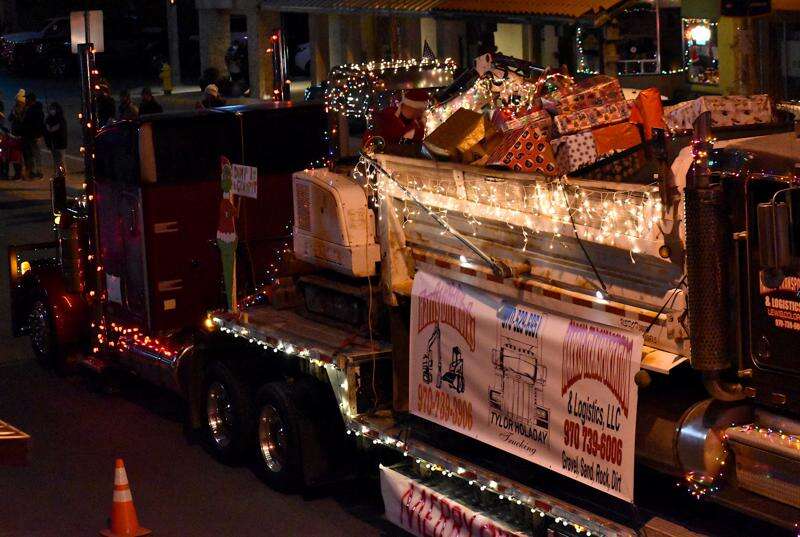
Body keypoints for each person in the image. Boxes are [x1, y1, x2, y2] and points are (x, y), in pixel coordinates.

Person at [363, 88, 428, 147]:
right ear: (412, 107)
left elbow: (417, 146)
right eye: (421, 110)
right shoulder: (387, 115)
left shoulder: (419, 125)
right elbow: (370, 139)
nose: (422, 112)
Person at [21, 91, 44, 179]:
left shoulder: (35, 110)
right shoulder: (29, 109)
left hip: (33, 136)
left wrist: (38, 135)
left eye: (27, 99)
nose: (25, 100)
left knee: (35, 154)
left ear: (31, 100)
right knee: (30, 155)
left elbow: (38, 124)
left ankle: (38, 172)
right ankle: (32, 171)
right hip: (28, 135)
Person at [44, 102, 67, 175]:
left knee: (61, 159)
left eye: (53, 109)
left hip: (60, 143)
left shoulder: (60, 119)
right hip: (52, 142)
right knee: (55, 159)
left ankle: (62, 172)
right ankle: (57, 172)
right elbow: (47, 128)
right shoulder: (49, 118)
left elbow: (58, 129)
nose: (52, 111)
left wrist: (51, 129)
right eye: (51, 109)